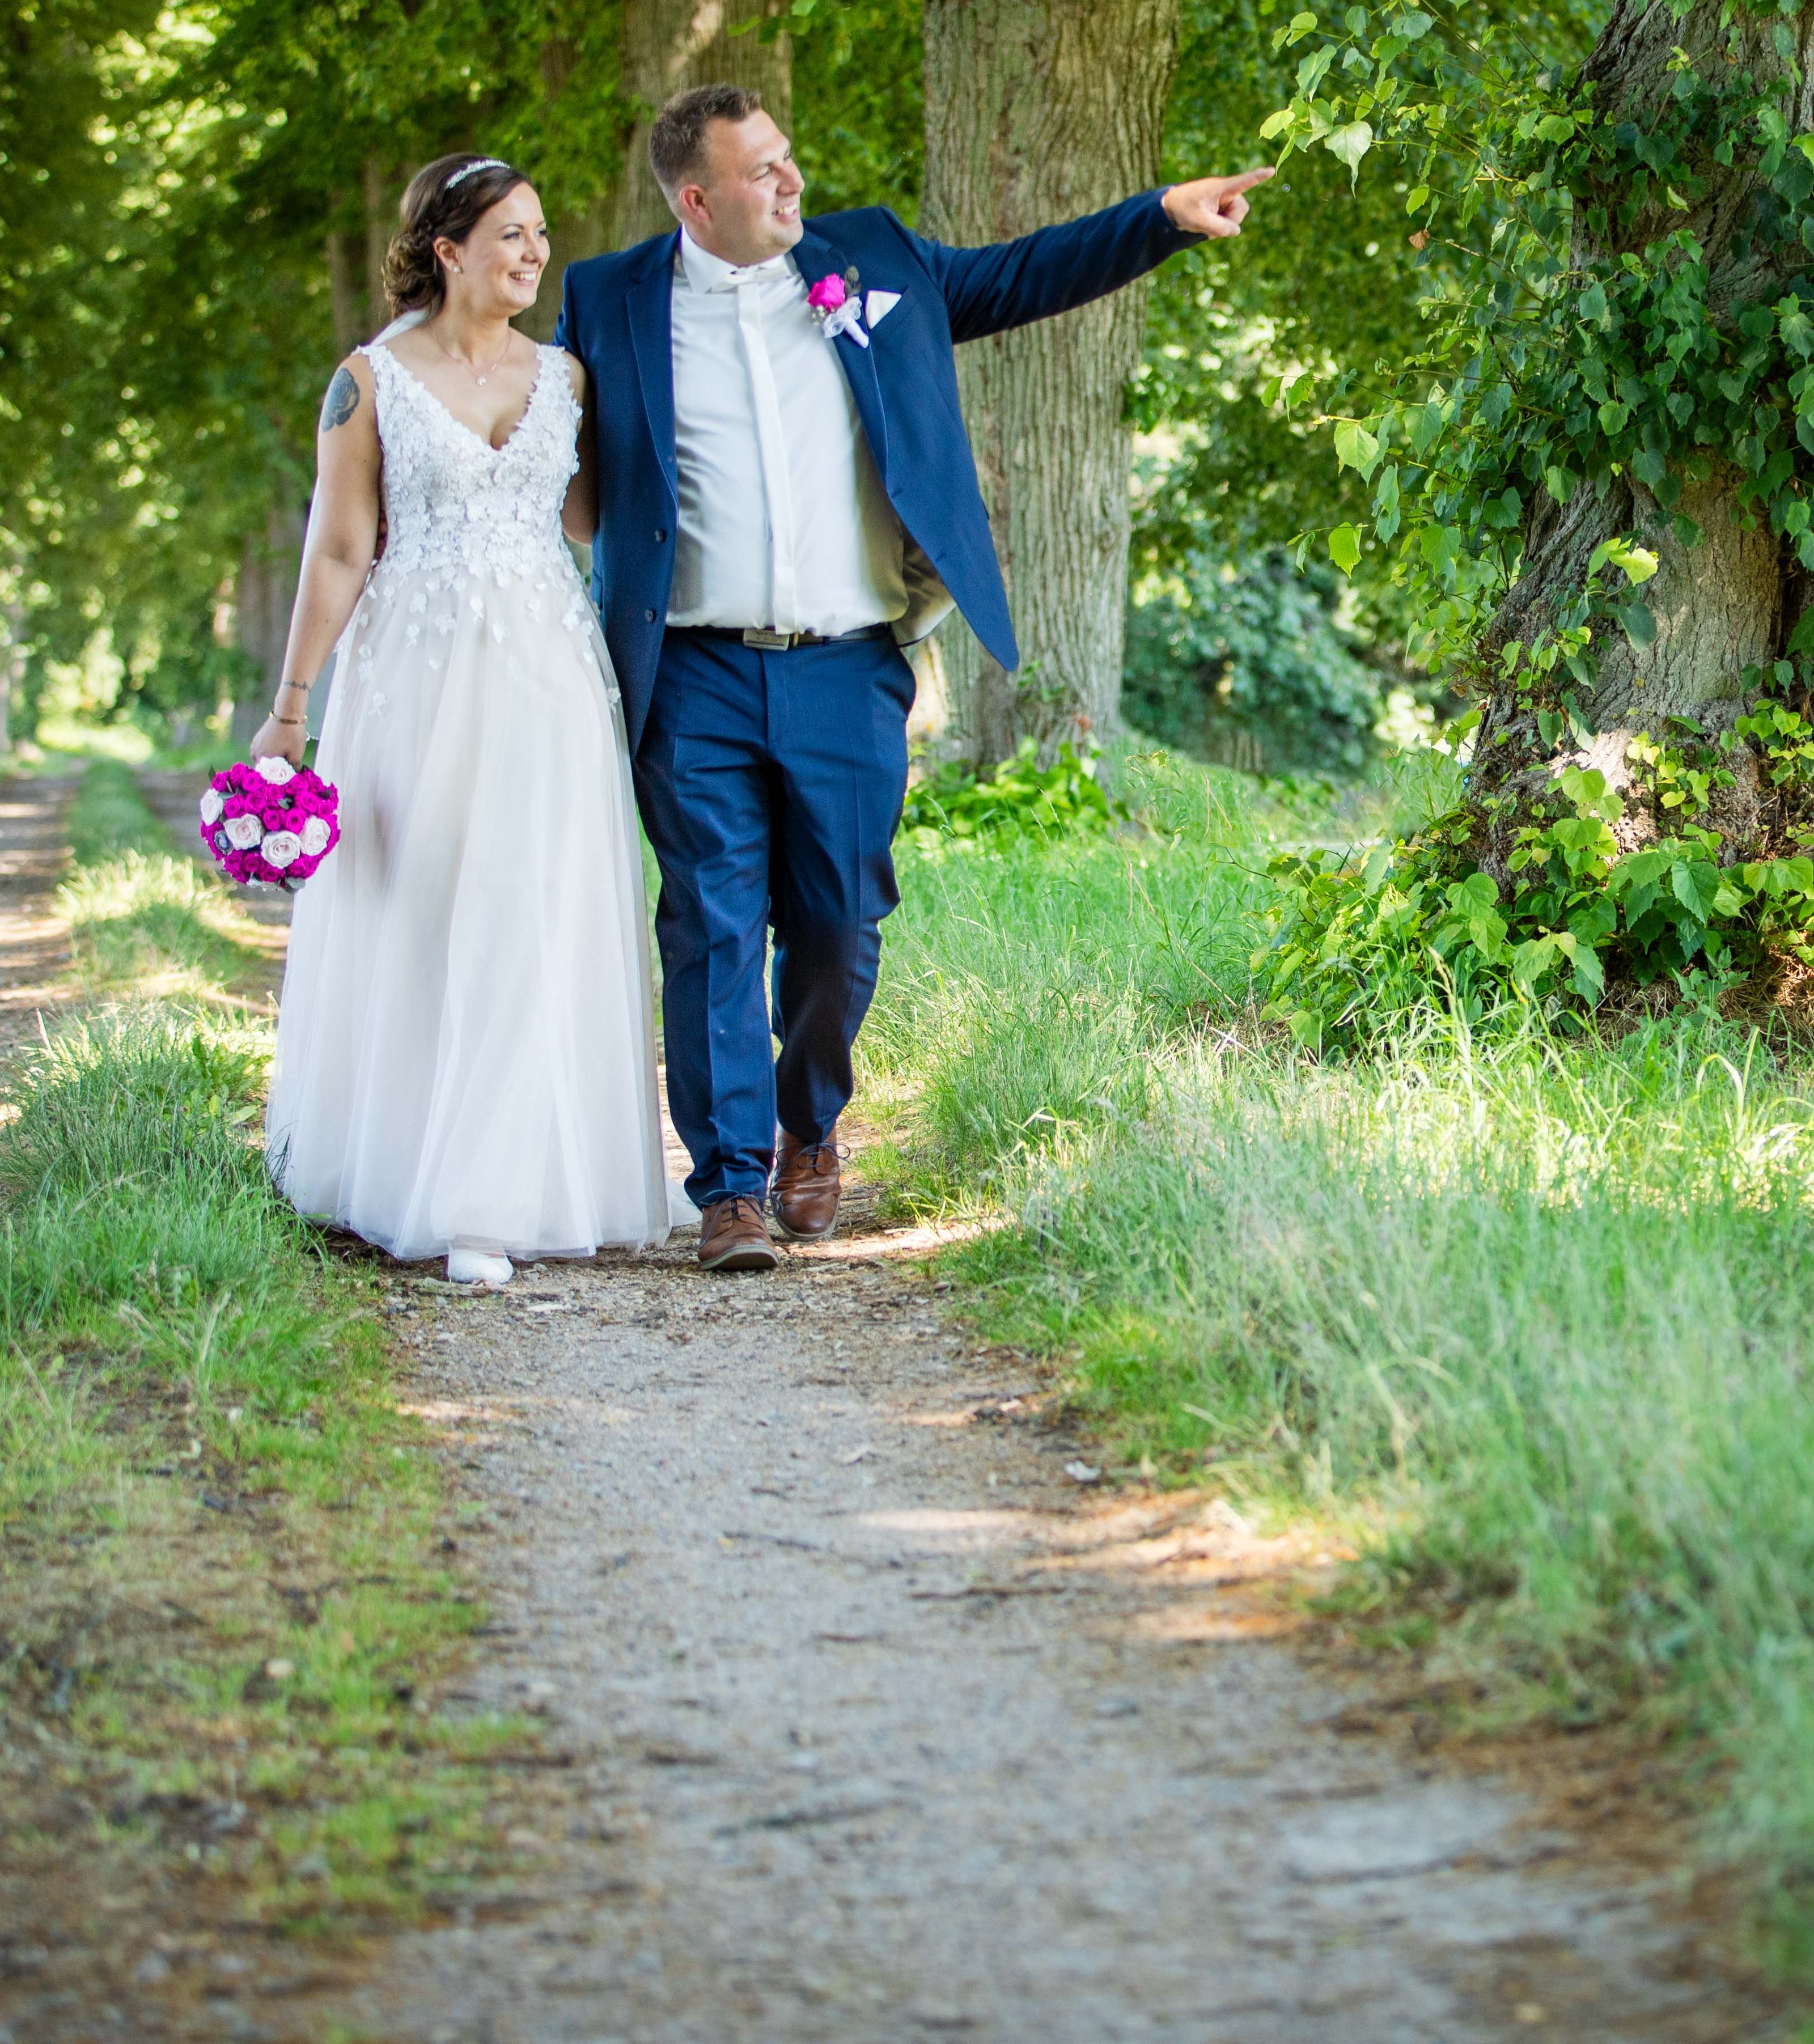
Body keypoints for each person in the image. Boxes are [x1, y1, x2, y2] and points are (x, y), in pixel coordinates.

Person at [562, 84, 1270, 1270]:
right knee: (710, 922)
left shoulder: (873, 258)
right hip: (691, 668)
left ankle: (808, 1121)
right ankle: (729, 1186)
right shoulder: (608, 298)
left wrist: (1160, 216)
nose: (791, 182)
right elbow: (539, 424)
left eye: (790, 158)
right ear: (696, 199)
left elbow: (1019, 274)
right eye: (762, 171)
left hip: (849, 661)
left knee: (839, 923)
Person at [252, 155, 675, 1285]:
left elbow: (591, 521)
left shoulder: (571, 379)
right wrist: (291, 705)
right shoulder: (369, 380)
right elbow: (340, 548)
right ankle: (412, 1174)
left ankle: (515, 1181)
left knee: (535, 905)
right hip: (414, 678)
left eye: (540, 235)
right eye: (510, 236)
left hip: (548, 673)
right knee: (425, 904)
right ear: (447, 248)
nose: (534, 255)